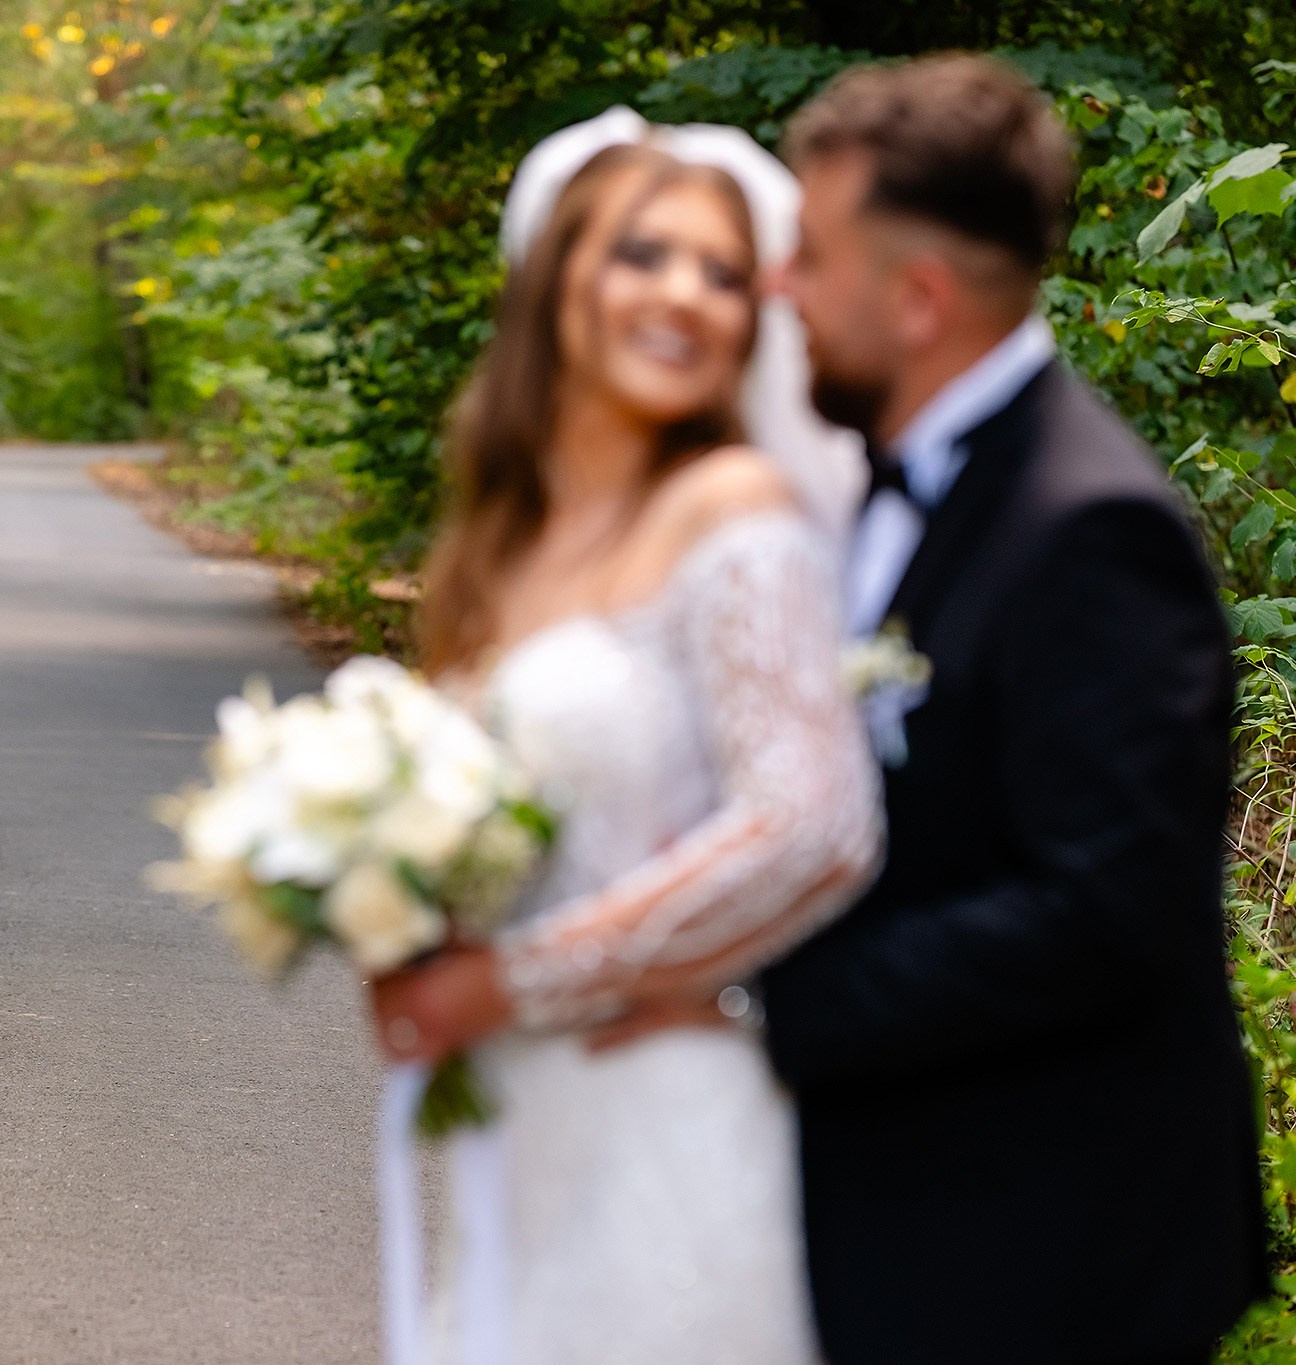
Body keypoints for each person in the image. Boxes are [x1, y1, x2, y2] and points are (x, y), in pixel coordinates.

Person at [749, 56, 1263, 1365]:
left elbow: (1105, 909)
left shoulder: (1089, 531)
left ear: (917, 298)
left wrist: (767, 1002)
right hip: (919, 1196)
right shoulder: (887, 481)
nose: (776, 288)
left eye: (807, 254)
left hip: (1043, 1244)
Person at [364, 112, 882, 1363]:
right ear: (558, 285)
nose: (684, 297)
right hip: (524, 1127)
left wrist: (517, 978)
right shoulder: (511, 546)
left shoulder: (735, 510)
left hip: (666, 1125)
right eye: (642, 255)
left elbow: (811, 820)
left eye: (719, 273)